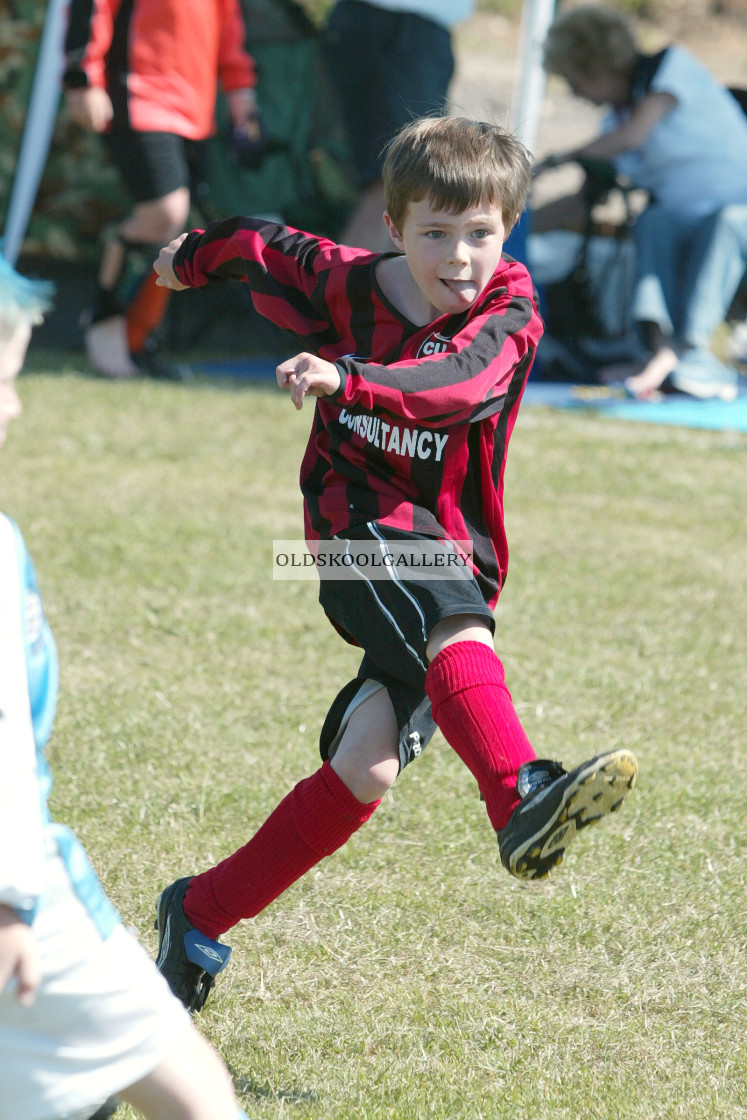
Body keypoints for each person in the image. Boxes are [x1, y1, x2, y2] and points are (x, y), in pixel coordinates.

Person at [150, 115, 639, 1014]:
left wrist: (350, 379)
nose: (459, 257)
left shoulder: (511, 311)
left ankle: (198, 914)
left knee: (364, 768)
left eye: (481, 233)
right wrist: (183, 259)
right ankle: (518, 792)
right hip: (349, 529)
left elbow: (453, 382)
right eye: (436, 234)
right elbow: (259, 243)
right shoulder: (345, 283)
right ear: (393, 226)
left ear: (508, 230)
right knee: (453, 621)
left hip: (457, 546)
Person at [0, 253, 251, 1120]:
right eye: (1, 382)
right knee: (197, 1097)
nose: (15, 405)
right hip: (26, 898)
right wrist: (8, 902)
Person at [531, 4, 747, 401]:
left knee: (729, 221)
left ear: (594, 64)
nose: (574, 91)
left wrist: (556, 160)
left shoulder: (669, 69)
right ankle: (662, 354)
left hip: (738, 221)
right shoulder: (612, 125)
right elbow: (582, 203)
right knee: (654, 221)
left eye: (572, 78)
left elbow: (636, 136)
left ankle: (693, 354)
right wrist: (515, 222)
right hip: (691, 226)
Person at [62, 0, 261, 381]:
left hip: (194, 109)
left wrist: (242, 97)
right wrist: (81, 77)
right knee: (165, 211)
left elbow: (229, 30)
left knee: (176, 225)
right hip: (137, 92)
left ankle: (138, 341)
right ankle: (104, 320)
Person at [322, 0, 475, 252]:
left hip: (398, 26)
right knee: (397, 184)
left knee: (404, 192)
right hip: (400, 26)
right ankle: (337, 289)